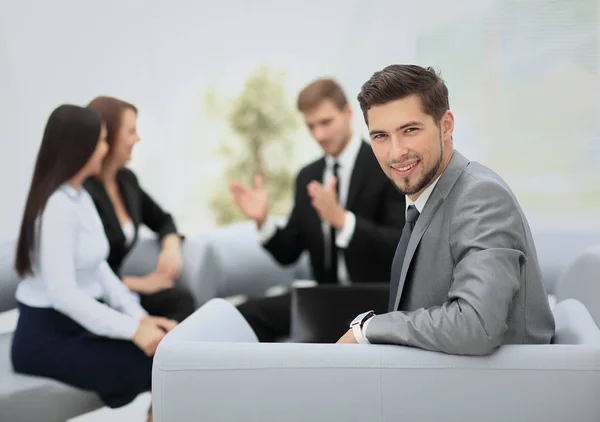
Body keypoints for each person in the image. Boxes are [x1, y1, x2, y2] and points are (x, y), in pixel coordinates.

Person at [337, 64, 555, 355]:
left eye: (410, 130)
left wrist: (369, 329)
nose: (396, 152)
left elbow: (476, 325)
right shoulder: (426, 199)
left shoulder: (480, 197)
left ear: (446, 125)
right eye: (381, 136)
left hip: (497, 393)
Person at [11, 105, 173, 419]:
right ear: (80, 147)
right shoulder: (57, 207)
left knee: (166, 352)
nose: (105, 148)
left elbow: (99, 269)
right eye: (100, 141)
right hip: (44, 340)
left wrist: (140, 318)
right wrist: (131, 331)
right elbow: (64, 296)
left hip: (74, 327)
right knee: (156, 364)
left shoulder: (79, 196)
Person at [230, 78, 406, 342]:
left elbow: (399, 244)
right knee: (243, 315)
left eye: (326, 123)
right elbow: (289, 252)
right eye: (311, 126)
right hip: (323, 298)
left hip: (377, 301)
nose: (319, 135)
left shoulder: (384, 166)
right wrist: (263, 221)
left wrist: (342, 221)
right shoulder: (308, 177)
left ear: (348, 114)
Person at [84, 96, 195, 323]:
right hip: (97, 296)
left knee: (182, 300)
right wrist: (140, 283)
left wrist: (170, 247)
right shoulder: (82, 193)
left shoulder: (126, 181)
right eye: (131, 131)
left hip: (122, 290)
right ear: (109, 136)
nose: (138, 138)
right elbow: (85, 268)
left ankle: (171, 357)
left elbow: (163, 220)